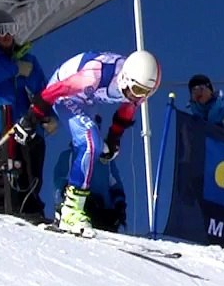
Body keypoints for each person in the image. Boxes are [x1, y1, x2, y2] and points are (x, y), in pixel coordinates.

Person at [17, 49, 161, 237]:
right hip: (64, 91)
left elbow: (126, 111)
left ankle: (68, 210)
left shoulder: (137, 86)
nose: (139, 97)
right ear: (126, 79)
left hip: (87, 99)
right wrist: (32, 117)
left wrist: (113, 139)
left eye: (147, 93)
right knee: (90, 142)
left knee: (94, 145)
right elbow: (55, 91)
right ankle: (71, 210)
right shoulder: (94, 75)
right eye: (139, 91)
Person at [0, 7, 51, 222]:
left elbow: (43, 89)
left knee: (31, 170)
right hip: (0, 125)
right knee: (4, 171)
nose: (6, 35)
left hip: (28, 123)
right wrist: (13, 68)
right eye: (1, 30)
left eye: (10, 30)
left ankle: (31, 211)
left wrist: (48, 115)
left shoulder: (27, 59)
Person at [50, 115, 128, 233]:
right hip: (79, 208)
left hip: (103, 213)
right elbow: (59, 182)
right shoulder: (69, 156)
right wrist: (64, 198)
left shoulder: (106, 162)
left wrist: (119, 204)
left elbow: (115, 185)